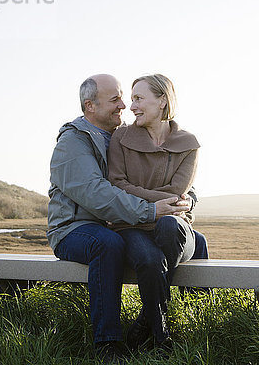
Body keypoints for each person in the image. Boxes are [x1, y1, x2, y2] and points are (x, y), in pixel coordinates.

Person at [46, 74, 208, 362]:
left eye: (126, 97)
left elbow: (175, 180)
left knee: (193, 240)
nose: (123, 105)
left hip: (117, 224)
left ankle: (167, 323)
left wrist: (188, 200)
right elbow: (97, 193)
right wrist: (151, 211)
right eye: (115, 100)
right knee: (108, 244)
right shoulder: (73, 142)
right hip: (77, 228)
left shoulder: (121, 134)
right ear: (90, 106)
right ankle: (108, 342)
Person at [106, 74, 199, 350]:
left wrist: (169, 202)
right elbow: (117, 184)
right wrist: (157, 204)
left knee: (169, 226)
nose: (130, 106)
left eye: (138, 98)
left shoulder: (189, 144)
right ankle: (161, 336)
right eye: (132, 98)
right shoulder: (121, 137)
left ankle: (146, 322)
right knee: (148, 259)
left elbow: (179, 191)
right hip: (131, 226)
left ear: (162, 101)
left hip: (176, 230)